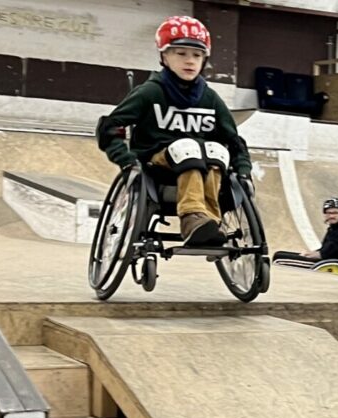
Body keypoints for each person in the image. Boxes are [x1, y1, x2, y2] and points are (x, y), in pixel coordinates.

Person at [95, 16, 252, 247]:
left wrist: (244, 171)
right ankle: (192, 218)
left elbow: (233, 140)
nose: (190, 61)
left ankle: (210, 222)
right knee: (188, 147)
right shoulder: (149, 92)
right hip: (156, 164)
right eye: (181, 54)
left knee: (217, 150)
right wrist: (126, 161)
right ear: (164, 56)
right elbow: (109, 127)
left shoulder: (210, 98)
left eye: (197, 55)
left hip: (199, 161)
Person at [272, 197, 338, 265]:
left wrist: (310, 255)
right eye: (328, 213)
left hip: (329, 264)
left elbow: (326, 254)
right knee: (280, 254)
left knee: (279, 258)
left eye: (335, 213)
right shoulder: (336, 228)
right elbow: (325, 250)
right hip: (325, 262)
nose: (331, 216)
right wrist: (310, 253)